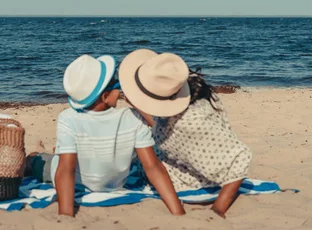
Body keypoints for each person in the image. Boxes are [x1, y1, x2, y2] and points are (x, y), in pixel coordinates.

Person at [27, 54, 185, 217]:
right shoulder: (133, 118)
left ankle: (36, 155)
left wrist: (66, 215)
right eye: (118, 85)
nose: (121, 90)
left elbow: (66, 169)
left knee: (37, 160)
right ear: (104, 96)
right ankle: (40, 153)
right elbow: (153, 166)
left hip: (78, 181)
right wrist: (178, 211)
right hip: (114, 184)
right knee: (42, 158)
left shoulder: (68, 118)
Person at [118, 49, 253, 218]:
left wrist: (218, 209)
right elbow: (166, 129)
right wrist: (138, 105)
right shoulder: (198, 95)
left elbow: (240, 156)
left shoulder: (191, 122)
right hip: (192, 164)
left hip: (191, 182)